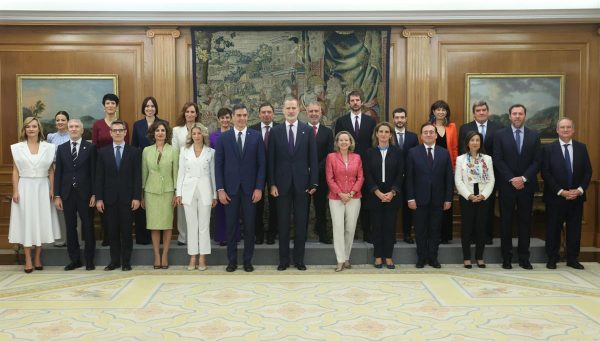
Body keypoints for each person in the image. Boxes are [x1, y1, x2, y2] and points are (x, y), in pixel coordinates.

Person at [269, 98, 318, 271]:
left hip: (302, 185)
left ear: (299, 110)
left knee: (301, 222)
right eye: (288, 108)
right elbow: (271, 161)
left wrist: (314, 182)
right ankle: (283, 260)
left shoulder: (307, 130)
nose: (291, 111)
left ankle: (299, 260)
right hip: (281, 185)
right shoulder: (275, 132)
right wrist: (272, 184)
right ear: (283, 110)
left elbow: (313, 158)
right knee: (282, 223)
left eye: (294, 108)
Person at [215, 104, 266, 272]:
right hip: (230, 191)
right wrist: (220, 189)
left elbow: (261, 165)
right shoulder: (224, 138)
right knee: (231, 227)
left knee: (250, 227)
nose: (242, 118)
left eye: (244, 115)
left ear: (248, 116)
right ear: (233, 117)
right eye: (238, 115)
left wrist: (259, 188)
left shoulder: (256, 137)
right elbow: (218, 165)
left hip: (251, 191)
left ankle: (247, 261)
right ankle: (232, 261)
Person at [9, 117, 60, 273]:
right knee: (26, 222)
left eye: (34, 126)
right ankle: (28, 259)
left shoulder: (49, 147)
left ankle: (38, 257)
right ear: (24, 130)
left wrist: (52, 190)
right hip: (24, 187)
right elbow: (15, 171)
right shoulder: (17, 148)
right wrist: (15, 191)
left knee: (40, 221)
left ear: (39, 129)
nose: (31, 129)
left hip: (43, 187)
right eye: (28, 127)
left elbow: (51, 170)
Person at [493, 104, 541, 270]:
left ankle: (524, 258)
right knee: (505, 222)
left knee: (525, 223)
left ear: (525, 116)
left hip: (526, 187)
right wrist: (512, 179)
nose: (517, 116)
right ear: (509, 116)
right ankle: (506, 258)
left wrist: (524, 178)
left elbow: (537, 161)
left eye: (520, 114)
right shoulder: (500, 135)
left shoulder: (534, 135)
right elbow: (497, 159)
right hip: (507, 186)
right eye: (514, 114)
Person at [541, 118, 592, 270]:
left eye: (568, 127)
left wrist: (580, 190)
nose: (565, 130)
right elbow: (545, 173)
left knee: (574, 229)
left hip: (576, 196)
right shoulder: (548, 149)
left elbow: (588, 171)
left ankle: (572, 258)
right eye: (562, 127)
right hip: (556, 197)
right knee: (553, 229)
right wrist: (561, 191)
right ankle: (552, 258)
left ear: (573, 130)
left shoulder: (581, 148)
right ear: (557, 130)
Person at [95, 119, 142, 271]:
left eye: (120, 130)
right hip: (109, 199)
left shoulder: (134, 152)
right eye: (114, 130)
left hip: (128, 199)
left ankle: (126, 262)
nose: (117, 133)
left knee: (127, 232)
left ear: (125, 132)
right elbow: (99, 177)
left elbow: (137, 177)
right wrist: (99, 198)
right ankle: (114, 261)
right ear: (110, 133)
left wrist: (136, 197)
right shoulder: (103, 152)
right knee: (112, 232)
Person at [406, 123, 454, 269]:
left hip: (438, 200)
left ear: (435, 135)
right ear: (421, 136)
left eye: (431, 132)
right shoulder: (413, 152)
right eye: (425, 132)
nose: (428, 134)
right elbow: (409, 178)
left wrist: (448, 198)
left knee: (435, 230)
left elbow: (448, 178)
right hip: (418, 200)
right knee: (420, 231)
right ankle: (421, 258)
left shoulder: (444, 153)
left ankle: (433, 258)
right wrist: (410, 198)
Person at [54, 119, 97, 271]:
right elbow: (58, 172)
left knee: (88, 226)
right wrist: (57, 195)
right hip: (67, 195)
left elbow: (94, 173)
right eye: (71, 126)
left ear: (82, 130)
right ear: (68, 129)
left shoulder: (91, 147)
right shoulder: (61, 148)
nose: (73, 129)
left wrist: (94, 194)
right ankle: (75, 260)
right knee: (70, 227)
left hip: (86, 195)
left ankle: (90, 260)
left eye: (76, 126)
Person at [334, 90, 376, 243]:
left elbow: (373, 144)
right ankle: (345, 236)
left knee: (365, 201)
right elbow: (338, 144)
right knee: (344, 201)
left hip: (365, 166)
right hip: (345, 168)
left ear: (362, 102)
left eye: (357, 100)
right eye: (352, 100)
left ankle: (367, 233)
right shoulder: (341, 121)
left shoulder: (370, 121)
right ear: (348, 103)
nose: (355, 103)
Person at [458, 100, 502, 245]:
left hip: (489, 174)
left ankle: (486, 236)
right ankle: (470, 236)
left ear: (487, 111)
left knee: (487, 207)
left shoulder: (498, 127)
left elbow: (500, 151)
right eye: (478, 110)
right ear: (474, 113)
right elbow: (461, 149)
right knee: (469, 209)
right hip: (469, 174)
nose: (481, 112)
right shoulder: (465, 128)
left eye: (484, 110)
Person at [176, 123, 216, 271]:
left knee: (204, 226)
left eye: (199, 133)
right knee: (191, 225)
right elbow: (181, 173)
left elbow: (213, 174)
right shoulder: (184, 151)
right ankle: (192, 256)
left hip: (205, 191)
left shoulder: (211, 152)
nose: (197, 136)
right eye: (194, 134)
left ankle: (202, 257)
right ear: (190, 136)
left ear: (203, 135)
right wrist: (178, 193)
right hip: (188, 191)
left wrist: (214, 195)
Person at [364, 122, 403, 269]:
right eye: (381, 131)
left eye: (387, 132)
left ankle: (389, 256)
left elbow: (400, 174)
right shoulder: (369, 152)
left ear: (391, 135)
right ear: (376, 134)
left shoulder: (398, 152)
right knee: (377, 227)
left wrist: (392, 192)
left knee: (389, 227)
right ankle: (378, 256)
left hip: (392, 196)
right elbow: (367, 175)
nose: (384, 134)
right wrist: (377, 192)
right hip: (375, 196)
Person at [92, 93, 129, 246]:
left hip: (120, 168)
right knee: (105, 205)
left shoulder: (123, 124)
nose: (110, 106)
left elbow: (128, 146)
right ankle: (107, 237)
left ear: (116, 106)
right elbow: (94, 146)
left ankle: (121, 238)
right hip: (103, 166)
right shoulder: (97, 124)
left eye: (113, 103)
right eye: (107, 103)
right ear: (104, 105)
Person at [455, 131, 495, 268]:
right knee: (466, 228)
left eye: (477, 140)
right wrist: (469, 195)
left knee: (481, 228)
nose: (475, 142)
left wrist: (483, 195)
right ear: (467, 142)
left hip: (483, 198)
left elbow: (491, 180)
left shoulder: (487, 159)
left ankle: (479, 257)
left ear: (480, 143)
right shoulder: (461, 159)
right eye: (472, 140)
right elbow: (458, 181)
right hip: (467, 198)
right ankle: (466, 257)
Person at [142, 121, 178, 269]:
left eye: (163, 130)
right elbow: (144, 173)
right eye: (157, 130)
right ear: (153, 133)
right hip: (151, 191)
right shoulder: (146, 150)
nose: (160, 133)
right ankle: (157, 255)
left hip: (168, 191)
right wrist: (142, 194)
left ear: (167, 133)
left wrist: (176, 192)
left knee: (167, 225)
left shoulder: (174, 150)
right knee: (154, 225)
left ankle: (165, 255)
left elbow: (175, 172)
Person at [326, 131, 364, 271]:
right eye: (341, 140)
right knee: (338, 227)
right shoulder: (331, 157)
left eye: (346, 140)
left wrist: (352, 192)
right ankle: (340, 260)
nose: (343, 142)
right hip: (336, 198)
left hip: (354, 198)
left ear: (350, 142)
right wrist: (341, 193)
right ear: (337, 143)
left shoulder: (357, 157)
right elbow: (329, 178)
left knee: (350, 228)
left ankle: (347, 257)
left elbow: (361, 177)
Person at [132, 96, 164, 245]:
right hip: (141, 164)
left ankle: (161, 236)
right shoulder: (137, 125)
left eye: (152, 106)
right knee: (143, 198)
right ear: (143, 108)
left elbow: (167, 144)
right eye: (147, 106)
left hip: (159, 166)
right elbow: (134, 146)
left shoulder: (163, 123)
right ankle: (143, 237)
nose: (150, 108)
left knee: (159, 201)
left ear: (156, 108)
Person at [250, 102, 279, 245]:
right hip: (256, 172)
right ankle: (258, 234)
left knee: (276, 205)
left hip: (277, 172)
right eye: (263, 112)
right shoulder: (252, 129)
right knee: (257, 204)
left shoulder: (280, 128)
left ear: (273, 114)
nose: (266, 114)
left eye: (269, 112)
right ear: (259, 114)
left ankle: (272, 234)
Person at [171, 102, 200, 246]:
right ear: (184, 114)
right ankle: (183, 236)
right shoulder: (176, 131)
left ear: (196, 114)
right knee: (182, 205)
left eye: (192, 112)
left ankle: (196, 236)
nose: (189, 114)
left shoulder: (202, 129)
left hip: (198, 172)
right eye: (187, 111)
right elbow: (175, 153)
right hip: (182, 172)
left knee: (196, 205)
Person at [430, 100, 458, 244]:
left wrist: (454, 168)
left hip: (448, 169)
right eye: (438, 109)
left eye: (443, 109)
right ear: (433, 112)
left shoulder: (452, 127)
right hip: (432, 169)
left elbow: (454, 149)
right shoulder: (429, 127)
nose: (441, 112)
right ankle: (434, 233)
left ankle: (445, 235)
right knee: (433, 201)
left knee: (447, 200)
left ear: (447, 112)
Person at [306, 102, 334, 244]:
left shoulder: (327, 132)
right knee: (302, 208)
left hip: (322, 177)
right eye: (311, 111)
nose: (314, 114)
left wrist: (315, 169)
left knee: (321, 207)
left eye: (316, 111)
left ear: (321, 113)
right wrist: (307, 169)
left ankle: (323, 234)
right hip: (303, 177)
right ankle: (302, 235)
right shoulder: (302, 130)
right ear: (307, 113)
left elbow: (330, 154)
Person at [391, 108, 419, 244]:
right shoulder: (388, 135)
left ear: (406, 119)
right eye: (397, 117)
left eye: (402, 117)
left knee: (408, 208)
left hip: (409, 178)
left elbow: (416, 156)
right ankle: (392, 235)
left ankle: (407, 234)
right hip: (393, 178)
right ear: (393, 119)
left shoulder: (413, 137)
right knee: (393, 207)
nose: (399, 120)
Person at [209, 107, 235, 246]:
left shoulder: (235, 133)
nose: (225, 120)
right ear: (218, 120)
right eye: (222, 118)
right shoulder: (213, 136)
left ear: (231, 118)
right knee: (220, 207)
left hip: (233, 175)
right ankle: (221, 236)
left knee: (233, 207)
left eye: (227, 117)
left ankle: (234, 236)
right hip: (218, 174)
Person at [47, 111, 71, 247]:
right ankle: (61, 238)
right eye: (57, 120)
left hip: (70, 172)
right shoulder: (51, 137)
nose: (60, 122)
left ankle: (72, 238)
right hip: (55, 172)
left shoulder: (72, 135)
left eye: (63, 120)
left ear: (67, 121)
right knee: (58, 205)